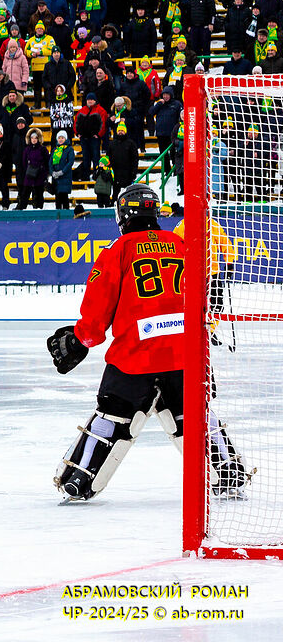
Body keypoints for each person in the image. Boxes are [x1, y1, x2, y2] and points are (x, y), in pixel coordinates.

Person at [48, 183, 247, 503]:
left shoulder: (117, 251)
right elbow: (206, 297)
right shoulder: (182, 245)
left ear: (122, 215)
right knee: (194, 415)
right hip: (187, 355)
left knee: (111, 416)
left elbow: (95, 316)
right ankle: (228, 471)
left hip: (135, 359)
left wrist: (80, 339)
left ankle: (79, 479)